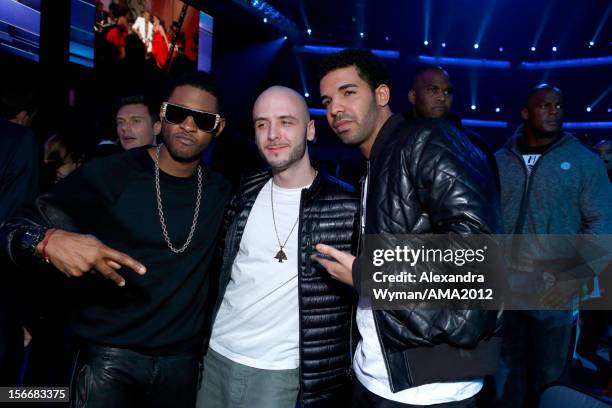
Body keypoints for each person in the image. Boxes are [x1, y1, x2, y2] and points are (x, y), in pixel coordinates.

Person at [0, 71, 232, 407]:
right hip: (110, 361)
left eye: (203, 119)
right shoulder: (111, 173)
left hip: (181, 366)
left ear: (218, 127)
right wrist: (47, 241)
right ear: (163, 114)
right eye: (179, 113)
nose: (188, 125)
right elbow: (13, 227)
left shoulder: (221, 192)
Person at [316, 49, 502, 407]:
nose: (335, 108)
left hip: (431, 389)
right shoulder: (375, 164)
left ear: (382, 95)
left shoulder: (427, 140)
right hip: (378, 374)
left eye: (348, 92)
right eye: (327, 100)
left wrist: (367, 274)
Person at [197, 86, 358, 408]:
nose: (273, 134)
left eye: (286, 122)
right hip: (215, 355)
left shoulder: (347, 205)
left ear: (310, 130)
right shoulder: (243, 191)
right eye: (261, 124)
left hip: (280, 373)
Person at [494, 84, 612, 407]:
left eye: (558, 105)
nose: (553, 111)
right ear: (525, 113)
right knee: (505, 378)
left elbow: (603, 224)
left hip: (553, 289)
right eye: (544, 105)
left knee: (551, 382)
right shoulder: (499, 161)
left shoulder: (584, 162)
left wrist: (575, 277)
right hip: (506, 289)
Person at [407, 66, 499, 192]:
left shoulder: (474, 145)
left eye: (447, 92)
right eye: (433, 90)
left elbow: (490, 196)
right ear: (413, 96)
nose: (442, 97)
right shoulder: (394, 138)